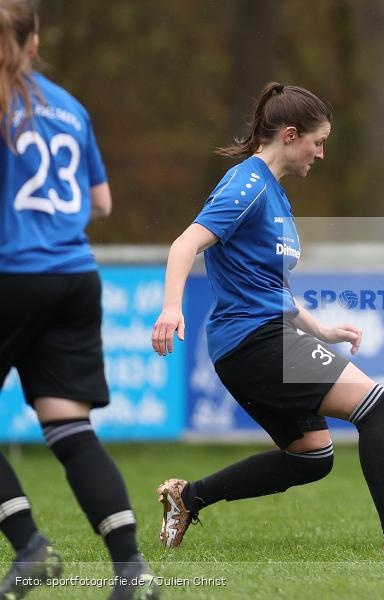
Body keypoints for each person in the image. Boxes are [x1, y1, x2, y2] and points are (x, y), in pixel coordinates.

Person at [150, 81, 384, 552]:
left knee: (311, 457)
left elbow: (269, 287)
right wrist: (171, 306)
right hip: (254, 342)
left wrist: (320, 328)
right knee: (376, 405)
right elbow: (186, 244)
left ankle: (188, 498)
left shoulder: (276, 196)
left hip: (257, 341)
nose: (320, 154)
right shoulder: (247, 184)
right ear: (289, 134)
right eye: (317, 142)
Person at [0, 1, 158, 598]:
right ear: (35, 42)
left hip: (10, 274)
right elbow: (102, 203)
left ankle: (31, 548)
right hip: (75, 276)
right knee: (69, 428)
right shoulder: (69, 108)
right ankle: (131, 572)